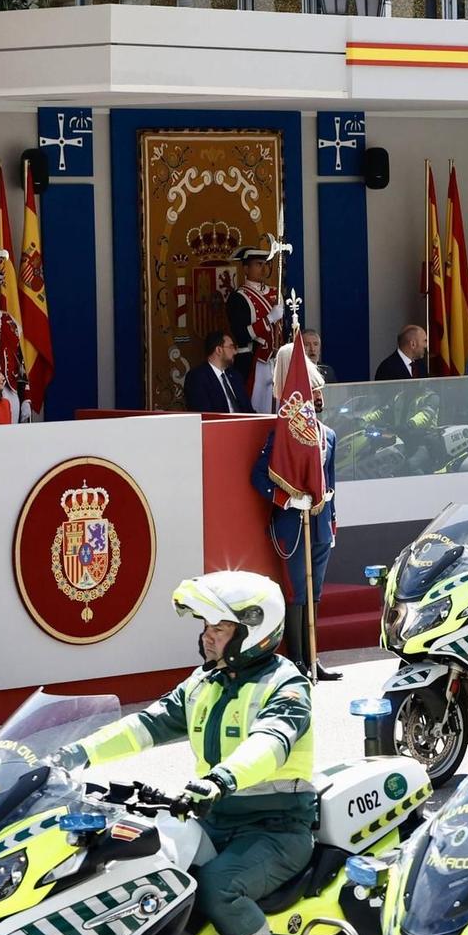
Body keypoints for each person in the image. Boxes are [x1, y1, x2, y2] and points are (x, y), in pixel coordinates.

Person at [56, 572, 313, 935]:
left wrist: (222, 779)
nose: (206, 636)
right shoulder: (205, 683)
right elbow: (145, 726)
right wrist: (76, 753)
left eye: (219, 627)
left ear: (252, 629)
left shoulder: (287, 685)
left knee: (220, 888)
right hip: (214, 821)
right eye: (206, 626)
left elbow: (269, 744)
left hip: (275, 829)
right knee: (141, 871)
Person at [253, 345, 339, 680]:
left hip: (319, 523)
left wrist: (332, 521)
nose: (316, 397)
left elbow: (331, 483)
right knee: (298, 593)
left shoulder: (327, 435)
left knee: (315, 591)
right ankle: (298, 661)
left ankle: (314, 658)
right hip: (292, 522)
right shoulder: (281, 436)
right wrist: (286, 500)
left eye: (317, 392)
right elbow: (258, 476)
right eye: (312, 391)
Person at [227, 247, 285, 413]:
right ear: (246, 269)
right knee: (256, 406)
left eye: (265, 264)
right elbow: (242, 335)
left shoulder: (276, 292)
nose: (264, 268)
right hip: (254, 359)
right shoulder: (239, 297)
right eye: (258, 264)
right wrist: (269, 319)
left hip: (276, 359)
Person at [184, 331, 250, 413]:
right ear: (219, 350)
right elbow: (204, 415)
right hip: (217, 425)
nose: (235, 352)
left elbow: (249, 410)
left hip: (243, 424)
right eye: (231, 347)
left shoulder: (236, 376)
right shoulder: (197, 378)